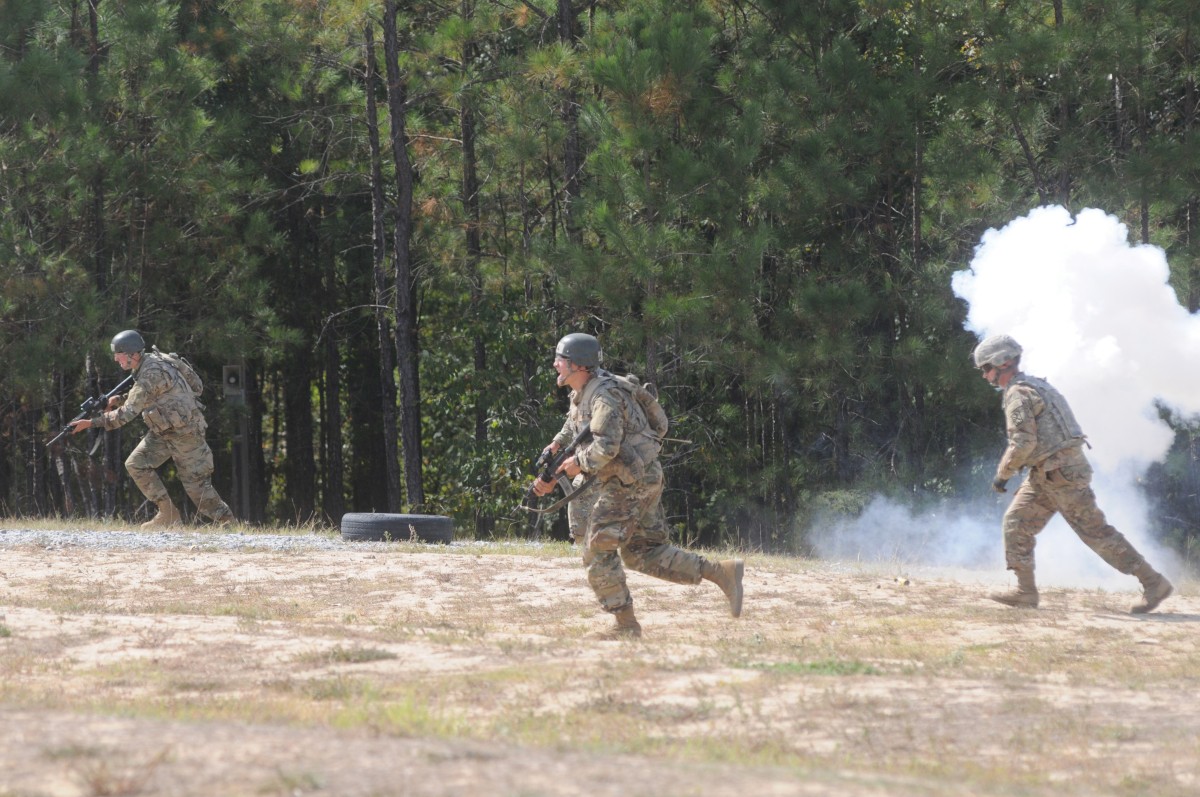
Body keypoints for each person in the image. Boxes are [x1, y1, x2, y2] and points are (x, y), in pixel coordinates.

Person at [532, 332, 744, 637]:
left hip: (630, 483)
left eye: (560, 360)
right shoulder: (585, 390)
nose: (555, 364)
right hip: (641, 477)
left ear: (578, 365)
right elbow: (575, 425)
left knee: (597, 548)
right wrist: (556, 445)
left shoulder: (604, 396)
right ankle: (722, 573)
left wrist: (575, 465)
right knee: (642, 551)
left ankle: (626, 626)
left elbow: (606, 447)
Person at [973, 334, 1172, 613]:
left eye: (985, 368)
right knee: (1016, 521)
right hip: (1048, 474)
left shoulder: (1019, 393)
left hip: (1060, 474)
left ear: (1001, 362)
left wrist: (1002, 475)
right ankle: (1025, 591)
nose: (985, 375)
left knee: (1096, 533)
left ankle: (1153, 583)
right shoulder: (1037, 385)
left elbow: (1023, 442)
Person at [70, 329, 235, 529]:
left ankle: (229, 524)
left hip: (186, 434)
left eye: (119, 354)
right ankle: (168, 514)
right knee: (136, 464)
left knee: (197, 489)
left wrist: (91, 423)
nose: (115, 359)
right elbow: (151, 394)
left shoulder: (150, 373)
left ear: (133, 354)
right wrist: (120, 399)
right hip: (165, 432)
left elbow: (126, 415)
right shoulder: (151, 363)